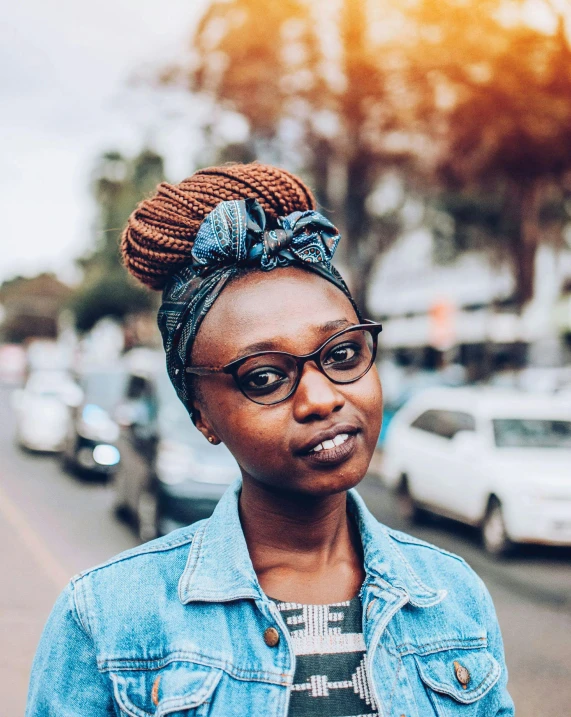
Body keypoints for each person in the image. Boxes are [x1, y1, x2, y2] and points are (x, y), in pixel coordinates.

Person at [27, 163, 514, 716]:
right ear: (201, 414)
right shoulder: (108, 619)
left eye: (343, 355)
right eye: (265, 377)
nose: (321, 399)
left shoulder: (454, 597)